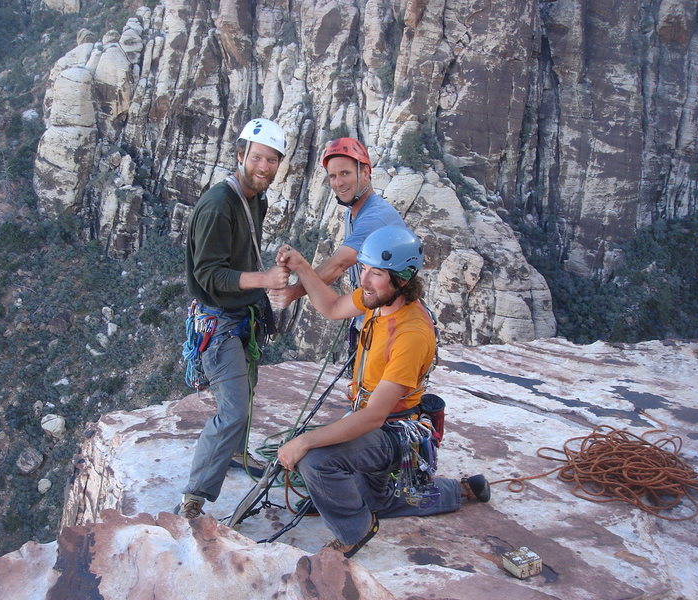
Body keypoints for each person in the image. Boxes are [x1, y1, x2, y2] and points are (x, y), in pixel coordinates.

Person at [275, 225, 490, 558]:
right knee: (377, 500)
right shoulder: (380, 298)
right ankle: (456, 492)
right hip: (376, 421)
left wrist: (304, 441)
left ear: (402, 279)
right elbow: (332, 307)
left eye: (376, 272)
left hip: (393, 430)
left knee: (316, 461)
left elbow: (375, 417)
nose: (364, 280)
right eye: (364, 268)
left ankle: (354, 531)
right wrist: (303, 267)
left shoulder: (411, 333)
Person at [176, 118, 291, 519]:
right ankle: (193, 497)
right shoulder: (217, 205)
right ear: (240, 154)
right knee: (234, 409)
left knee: (248, 392)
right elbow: (208, 273)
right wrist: (263, 279)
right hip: (218, 321)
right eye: (258, 158)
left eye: (273, 160)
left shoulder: (253, 197)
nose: (264, 167)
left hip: (242, 314)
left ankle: (235, 454)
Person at [268, 137, 405, 312]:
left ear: (365, 173)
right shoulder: (353, 212)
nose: (338, 183)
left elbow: (338, 265)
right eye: (333, 176)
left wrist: (292, 292)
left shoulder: (376, 218)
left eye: (345, 173)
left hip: (391, 322)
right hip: (372, 315)